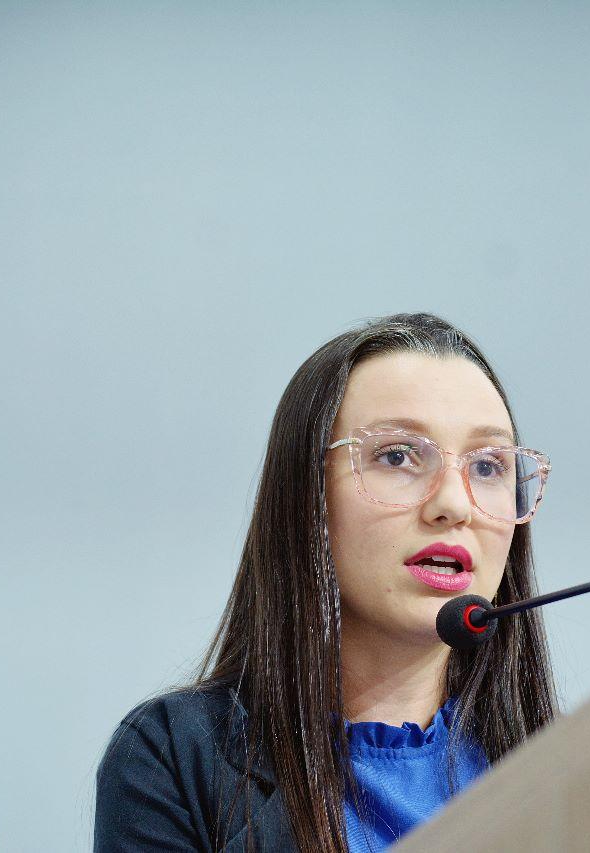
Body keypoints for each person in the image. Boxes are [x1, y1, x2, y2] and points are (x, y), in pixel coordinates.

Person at [94, 313, 558, 852]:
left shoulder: (585, 761)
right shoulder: (174, 757)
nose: (453, 504)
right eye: (398, 456)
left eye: (488, 465)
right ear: (306, 498)